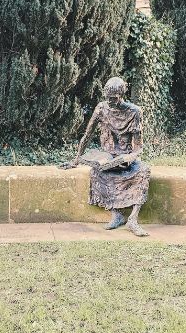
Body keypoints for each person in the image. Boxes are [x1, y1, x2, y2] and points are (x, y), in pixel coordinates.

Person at [63, 76, 151, 236]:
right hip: (107, 158)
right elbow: (87, 135)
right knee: (96, 173)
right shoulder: (101, 109)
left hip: (125, 159)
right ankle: (116, 215)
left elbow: (138, 148)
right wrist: (77, 159)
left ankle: (132, 219)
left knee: (143, 171)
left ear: (122, 95)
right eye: (107, 98)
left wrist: (128, 158)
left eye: (114, 98)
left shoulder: (134, 112)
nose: (110, 101)